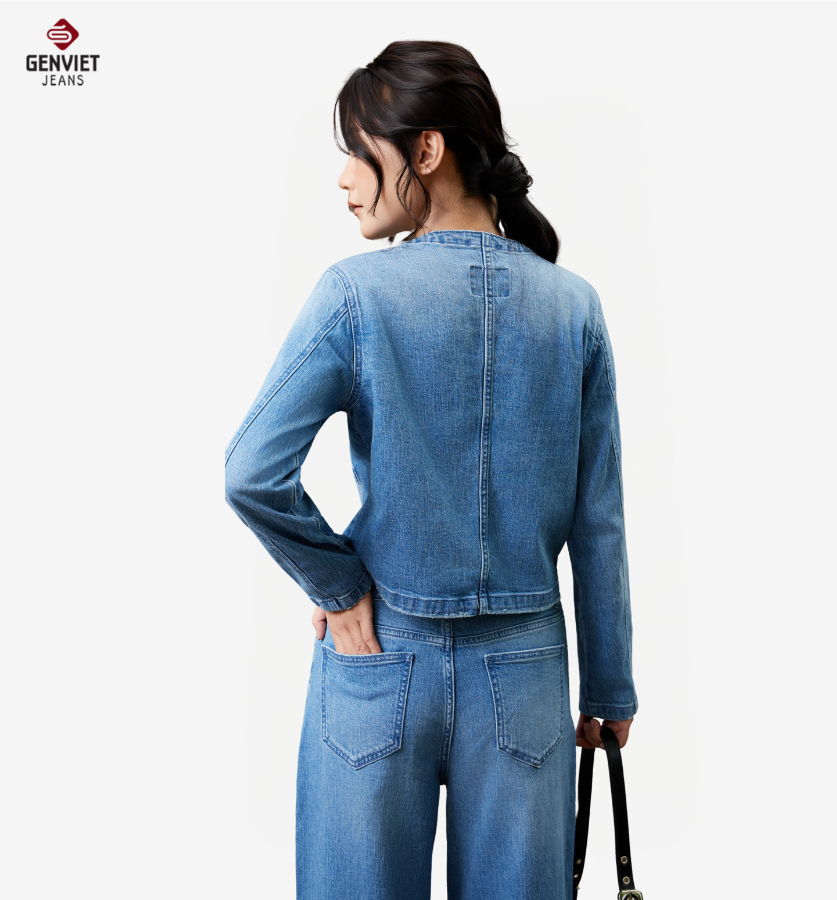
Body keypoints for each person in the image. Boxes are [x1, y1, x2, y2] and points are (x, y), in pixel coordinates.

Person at [224, 39, 638, 900]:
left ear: (426, 150)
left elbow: (251, 472)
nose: (344, 179)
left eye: (358, 150)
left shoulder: (355, 296)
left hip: (378, 658)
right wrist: (609, 684)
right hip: (524, 677)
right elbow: (598, 522)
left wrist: (339, 586)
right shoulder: (575, 309)